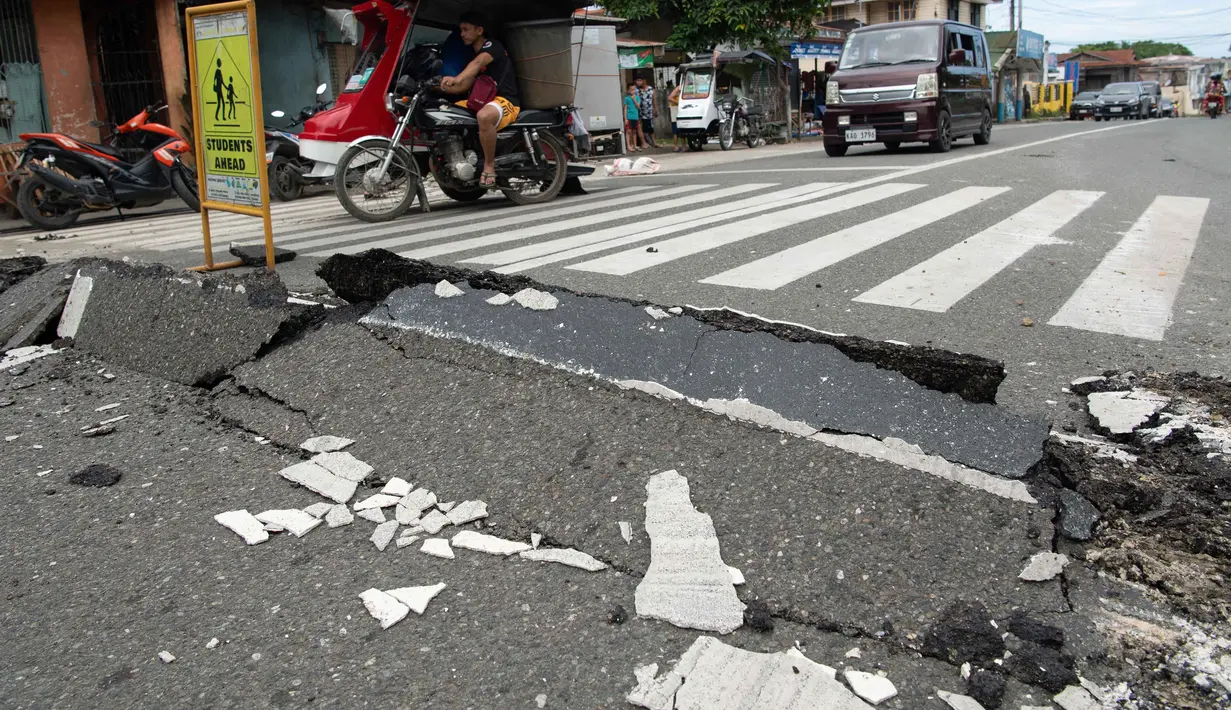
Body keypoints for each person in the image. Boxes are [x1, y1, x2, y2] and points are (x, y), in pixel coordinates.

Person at [440, 12, 521, 188]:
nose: (462, 34)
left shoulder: (492, 47)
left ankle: (489, 165)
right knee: (445, 112)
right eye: (461, 30)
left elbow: (476, 65)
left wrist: (456, 78)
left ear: (479, 30)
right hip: (484, 101)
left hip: (506, 101)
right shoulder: (472, 56)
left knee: (484, 116)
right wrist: (441, 86)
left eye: (466, 29)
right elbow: (463, 86)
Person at [636, 77, 656, 149]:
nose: (639, 82)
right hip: (640, 112)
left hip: (649, 112)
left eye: (640, 80)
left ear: (644, 80)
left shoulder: (651, 89)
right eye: (637, 81)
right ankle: (645, 143)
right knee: (642, 128)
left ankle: (654, 143)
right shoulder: (637, 90)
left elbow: (654, 99)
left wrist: (655, 109)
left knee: (651, 127)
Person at [623, 83, 641, 153]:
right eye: (632, 89)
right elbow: (625, 108)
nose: (633, 91)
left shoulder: (637, 97)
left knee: (634, 132)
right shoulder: (626, 98)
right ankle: (629, 145)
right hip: (629, 117)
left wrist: (634, 99)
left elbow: (638, 107)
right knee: (628, 132)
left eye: (634, 89)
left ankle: (634, 145)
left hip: (635, 117)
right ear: (628, 91)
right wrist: (625, 118)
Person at [668, 83, 682, 152]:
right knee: (675, 129)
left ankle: (684, 145)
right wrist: (679, 103)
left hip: (681, 109)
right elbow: (670, 98)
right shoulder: (678, 88)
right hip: (674, 109)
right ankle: (675, 146)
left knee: (682, 127)